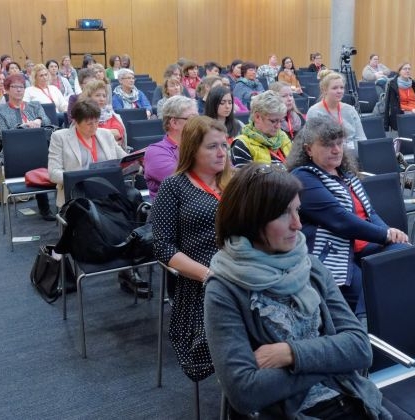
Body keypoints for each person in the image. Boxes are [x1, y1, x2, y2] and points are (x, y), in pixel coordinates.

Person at [205, 162, 396, 419]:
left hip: (351, 396)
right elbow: (245, 391)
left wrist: (290, 354)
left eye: (297, 210)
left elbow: (360, 348)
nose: (297, 224)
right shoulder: (225, 289)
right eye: (284, 214)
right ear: (250, 219)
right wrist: (332, 361)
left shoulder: (309, 266)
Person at [287, 116, 409, 316]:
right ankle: (364, 328)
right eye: (328, 145)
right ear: (308, 149)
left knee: (406, 255)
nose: (336, 150)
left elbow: (370, 212)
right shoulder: (303, 177)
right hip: (333, 253)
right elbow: (340, 219)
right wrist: (384, 235)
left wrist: (390, 233)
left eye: (339, 143)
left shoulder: (345, 174)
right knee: (370, 291)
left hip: (364, 246)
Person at [152, 115, 231, 383]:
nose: (221, 153)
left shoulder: (234, 183)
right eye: (212, 146)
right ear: (193, 149)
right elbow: (163, 247)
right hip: (202, 282)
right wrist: (209, 275)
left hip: (243, 270)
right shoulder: (174, 186)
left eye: (224, 145)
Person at [0, 73, 54, 220]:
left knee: (42, 154)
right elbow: (2, 134)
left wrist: (38, 121)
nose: (19, 90)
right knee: (37, 159)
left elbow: (48, 123)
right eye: (14, 87)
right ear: (7, 90)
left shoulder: (35, 105)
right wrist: (23, 127)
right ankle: (44, 208)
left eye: (21, 87)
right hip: (15, 152)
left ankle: (51, 205)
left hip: (38, 148)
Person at [47, 98, 127, 207]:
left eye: (97, 121)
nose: (94, 126)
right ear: (76, 122)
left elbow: (125, 159)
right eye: (89, 123)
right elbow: (53, 173)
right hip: (77, 195)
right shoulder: (60, 137)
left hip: (107, 193)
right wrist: (83, 178)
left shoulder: (106, 134)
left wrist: (139, 161)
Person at [144, 96, 198, 200]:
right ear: (174, 123)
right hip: (177, 208)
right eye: (192, 119)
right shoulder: (156, 152)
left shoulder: (201, 145)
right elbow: (185, 182)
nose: (198, 123)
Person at [306, 71, 366, 152]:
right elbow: (314, 143)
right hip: (328, 154)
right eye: (335, 88)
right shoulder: (314, 112)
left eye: (342, 87)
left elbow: (361, 139)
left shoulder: (350, 110)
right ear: (324, 90)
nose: (339, 91)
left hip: (353, 153)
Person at [231, 90, 292, 168]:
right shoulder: (242, 144)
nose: (278, 126)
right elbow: (246, 176)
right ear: (257, 117)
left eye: (281, 121)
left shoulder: (283, 137)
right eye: (273, 121)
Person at [80, 80, 126, 147]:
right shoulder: (81, 115)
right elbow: (87, 134)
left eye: (104, 96)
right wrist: (109, 134)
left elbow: (117, 134)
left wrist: (97, 133)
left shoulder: (111, 115)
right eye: (97, 95)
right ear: (88, 97)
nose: (102, 99)